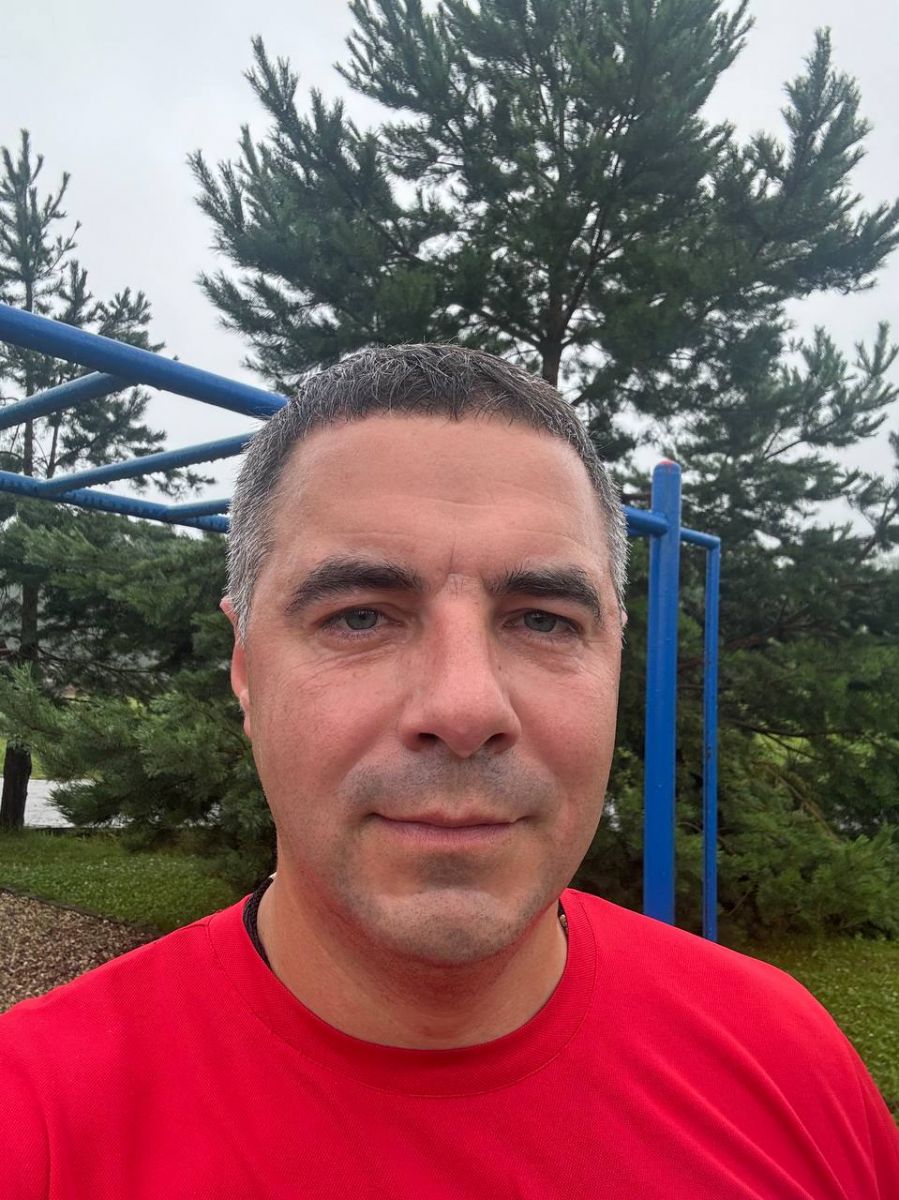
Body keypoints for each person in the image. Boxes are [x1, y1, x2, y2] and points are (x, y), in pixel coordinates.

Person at [0, 345, 896, 1199]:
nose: (465, 709)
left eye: (543, 620)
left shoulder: (785, 1059)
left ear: (614, 657)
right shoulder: (34, 1121)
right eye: (359, 616)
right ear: (244, 665)